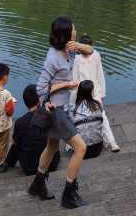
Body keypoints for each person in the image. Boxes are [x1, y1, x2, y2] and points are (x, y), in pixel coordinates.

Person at [28, 16, 93, 208]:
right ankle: (68, 194)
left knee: (52, 147)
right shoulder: (53, 58)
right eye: (73, 29)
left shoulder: (68, 51)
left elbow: (91, 50)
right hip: (56, 111)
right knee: (80, 148)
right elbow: (40, 89)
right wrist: (64, 84)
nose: (75, 31)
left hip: (63, 107)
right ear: (66, 34)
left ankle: (37, 184)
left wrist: (80, 46)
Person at [71, 34, 120, 151]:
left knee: (102, 116)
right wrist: (73, 100)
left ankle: (111, 142)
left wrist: (102, 93)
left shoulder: (96, 56)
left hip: (94, 92)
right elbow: (75, 78)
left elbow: (100, 75)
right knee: (79, 117)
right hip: (82, 93)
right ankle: (73, 144)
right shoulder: (78, 59)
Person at [6, 84, 61, 175]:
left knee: (16, 143)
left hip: (29, 168)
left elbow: (15, 143)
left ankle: (9, 163)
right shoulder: (50, 116)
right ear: (39, 100)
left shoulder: (20, 122)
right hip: (51, 165)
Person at [70, 80, 105, 159]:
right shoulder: (98, 106)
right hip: (97, 148)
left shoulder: (73, 110)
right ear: (90, 93)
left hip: (81, 152)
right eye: (93, 90)